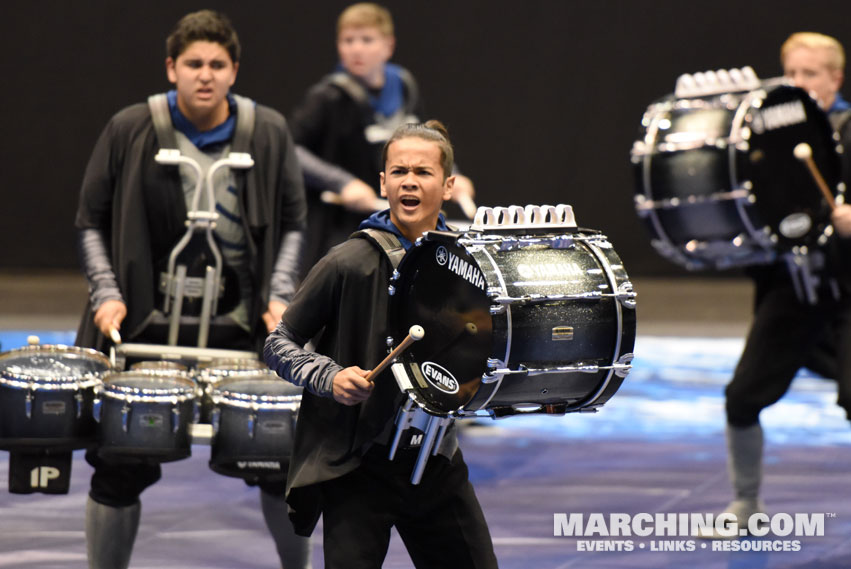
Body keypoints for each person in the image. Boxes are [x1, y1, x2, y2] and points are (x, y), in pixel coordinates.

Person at [74, 10, 310, 569]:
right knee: (119, 462)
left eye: (217, 64)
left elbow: (295, 221)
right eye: (193, 63)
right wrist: (106, 291)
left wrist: (280, 295)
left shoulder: (269, 131)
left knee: (277, 462)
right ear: (171, 68)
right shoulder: (130, 126)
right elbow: (90, 220)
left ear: (234, 71)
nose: (205, 75)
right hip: (144, 330)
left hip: (240, 328)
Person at [265, 121, 499, 568]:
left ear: (449, 185)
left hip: (436, 461)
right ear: (383, 182)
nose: (409, 181)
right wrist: (329, 377)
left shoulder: (469, 269)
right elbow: (279, 343)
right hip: (360, 470)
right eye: (399, 171)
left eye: (423, 172)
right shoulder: (348, 262)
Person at [713, 31, 851, 533]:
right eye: (790, 74)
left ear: (835, 78)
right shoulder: (766, 141)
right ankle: (746, 507)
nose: (796, 84)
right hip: (795, 288)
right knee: (742, 396)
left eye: (809, 74)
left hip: (849, 289)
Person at [290, 2, 476, 280]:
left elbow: (426, 141)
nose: (356, 49)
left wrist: (454, 174)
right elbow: (291, 150)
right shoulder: (327, 97)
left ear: (388, 46)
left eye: (366, 40)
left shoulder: (404, 86)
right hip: (342, 224)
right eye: (348, 40)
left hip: (398, 219)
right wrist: (342, 182)